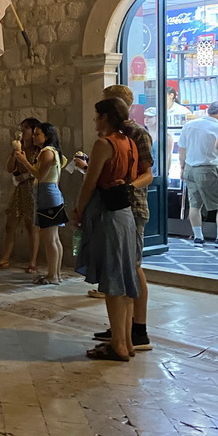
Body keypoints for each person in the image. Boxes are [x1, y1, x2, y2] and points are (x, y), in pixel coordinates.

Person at [72, 98, 139, 361]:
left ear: (105, 118)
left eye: (96, 115)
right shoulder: (130, 142)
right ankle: (125, 342)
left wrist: (78, 211)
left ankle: (118, 346)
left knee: (112, 279)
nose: (93, 120)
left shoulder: (104, 144)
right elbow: (131, 178)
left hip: (107, 215)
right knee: (124, 277)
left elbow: (90, 182)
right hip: (125, 215)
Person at [90, 85, 155, 349]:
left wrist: (126, 187)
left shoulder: (137, 133)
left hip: (131, 207)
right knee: (120, 269)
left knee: (132, 267)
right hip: (116, 206)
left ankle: (139, 329)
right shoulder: (114, 136)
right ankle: (122, 330)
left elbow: (148, 173)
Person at [15, 123, 67, 284]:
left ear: (47, 136)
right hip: (50, 194)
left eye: (37, 134)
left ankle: (53, 275)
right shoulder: (52, 152)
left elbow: (39, 174)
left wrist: (24, 160)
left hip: (47, 195)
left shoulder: (47, 152)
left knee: (50, 238)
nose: (33, 137)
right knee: (54, 238)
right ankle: (55, 274)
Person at [0, 118, 42, 272]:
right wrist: (15, 153)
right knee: (10, 225)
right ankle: (5, 258)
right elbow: (9, 168)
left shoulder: (38, 150)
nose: (23, 131)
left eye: (26, 128)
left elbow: (40, 171)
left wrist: (25, 173)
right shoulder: (19, 148)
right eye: (22, 128)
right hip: (18, 190)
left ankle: (32, 262)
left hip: (32, 191)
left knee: (31, 227)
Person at [178, 101, 218, 244]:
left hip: (190, 168)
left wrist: (182, 167)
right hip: (208, 169)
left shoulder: (190, 125)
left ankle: (198, 236)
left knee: (195, 204)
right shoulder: (217, 127)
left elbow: (182, 148)